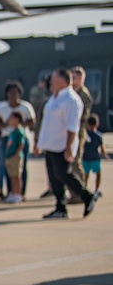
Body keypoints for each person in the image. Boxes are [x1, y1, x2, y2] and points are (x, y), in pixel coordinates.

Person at [35, 68, 98, 219]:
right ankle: (60, 208)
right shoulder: (54, 97)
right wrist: (39, 142)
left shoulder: (71, 100)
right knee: (54, 177)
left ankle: (87, 196)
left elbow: (72, 126)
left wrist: (69, 147)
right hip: (50, 144)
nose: (50, 82)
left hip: (62, 145)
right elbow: (46, 122)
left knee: (63, 174)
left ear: (62, 81)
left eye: (54, 80)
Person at [0, 81, 35, 199]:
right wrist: (5, 126)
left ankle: (21, 192)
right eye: (10, 93)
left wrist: (18, 124)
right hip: (7, 138)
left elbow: (32, 122)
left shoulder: (26, 107)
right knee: (8, 165)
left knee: (21, 166)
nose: (13, 95)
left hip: (21, 138)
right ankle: (10, 191)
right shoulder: (2, 107)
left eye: (15, 92)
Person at [70, 66, 94, 184]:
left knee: (76, 162)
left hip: (78, 132)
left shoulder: (84, 95)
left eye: (73, 77)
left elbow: (83, 116)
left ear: (80, 79)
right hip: (72, 131)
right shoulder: (73, 93)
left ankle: (80, 190)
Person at [2, 112, 28, 203]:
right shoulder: (13, 132)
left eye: (11, 118)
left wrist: (16, 155)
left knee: (17, 176)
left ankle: (18, 194)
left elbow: (21, 144)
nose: (9, 120)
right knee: (12, 176)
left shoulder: (20, 131)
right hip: (10, 157)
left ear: (17, 119)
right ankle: (13, 192)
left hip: (15, 157)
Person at [82, 114, 107, 194]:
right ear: (97, 124)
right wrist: (104, 155)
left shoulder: (84, 134)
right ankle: (96, 190)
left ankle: (84, 188)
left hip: (86, 158)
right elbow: (101, 147)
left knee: (86, 175)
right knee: (97, 174)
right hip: (94, 158)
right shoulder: (98, 135)